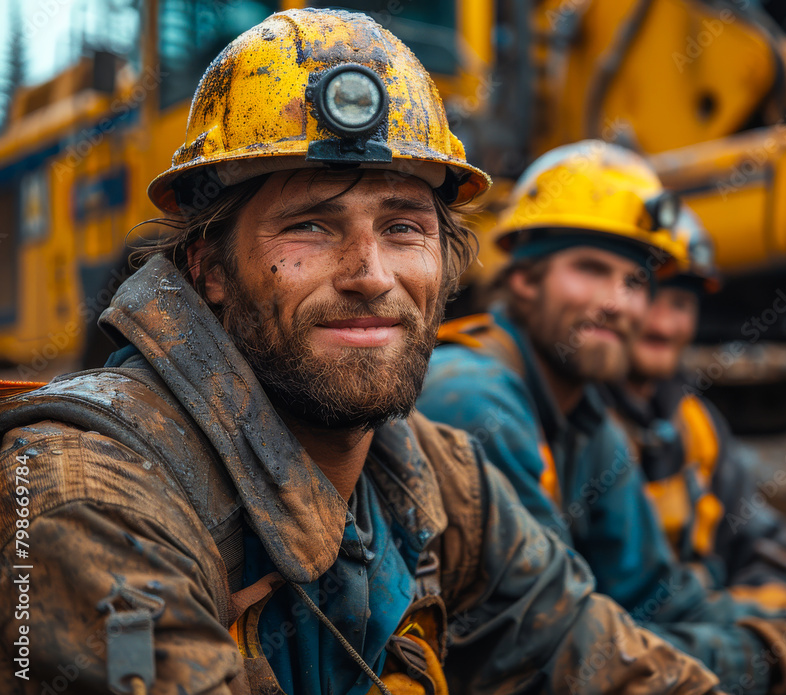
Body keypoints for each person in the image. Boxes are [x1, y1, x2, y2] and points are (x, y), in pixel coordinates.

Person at [0, 11, 724, 695]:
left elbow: (607, 660)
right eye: (311, 226)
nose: (371, 275)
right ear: (208, 267)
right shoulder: (86, 496)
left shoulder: (434, 480)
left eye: (404, 227)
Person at [417, 140, 786, 695]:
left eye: (637, 282)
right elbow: (548, 653)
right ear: (523, 279)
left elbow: (657, 599)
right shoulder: (472, 399)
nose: (618, 303)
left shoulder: (587, 420)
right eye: (590, 269)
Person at [601, 207, 786, 610]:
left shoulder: (697, 426)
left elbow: (762, 543)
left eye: (680, 305)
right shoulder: (579, 422)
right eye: (651, 299)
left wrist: (769, 603)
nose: (663, 326)